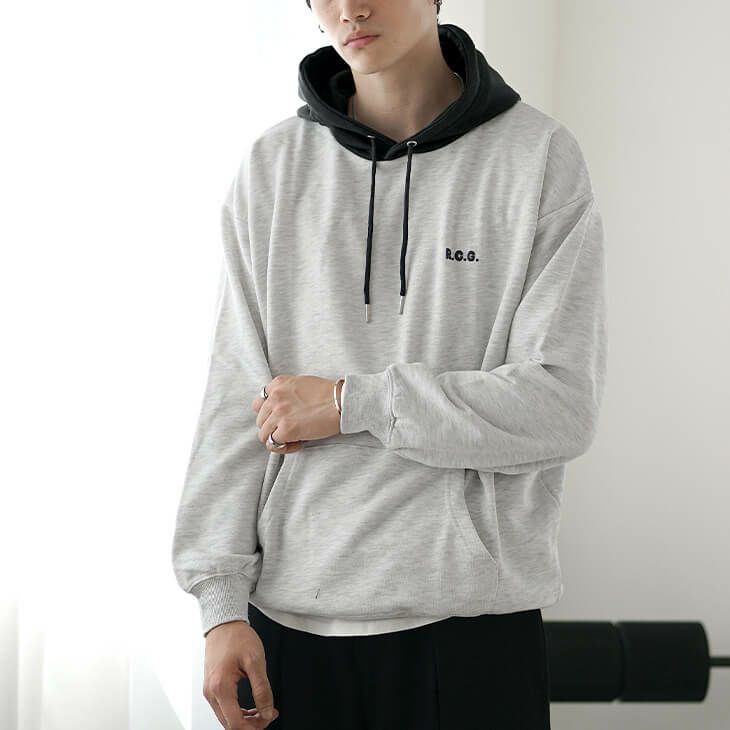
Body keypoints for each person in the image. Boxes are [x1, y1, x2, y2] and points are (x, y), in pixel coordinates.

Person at [171, 1, 608, 728]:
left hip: (470, 636)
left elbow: (560, 405)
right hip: (287, 633)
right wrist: (219, 605)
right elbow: (233, 395)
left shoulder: (537, 158)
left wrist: (353, 403)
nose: (350, 8)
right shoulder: (274, 167)